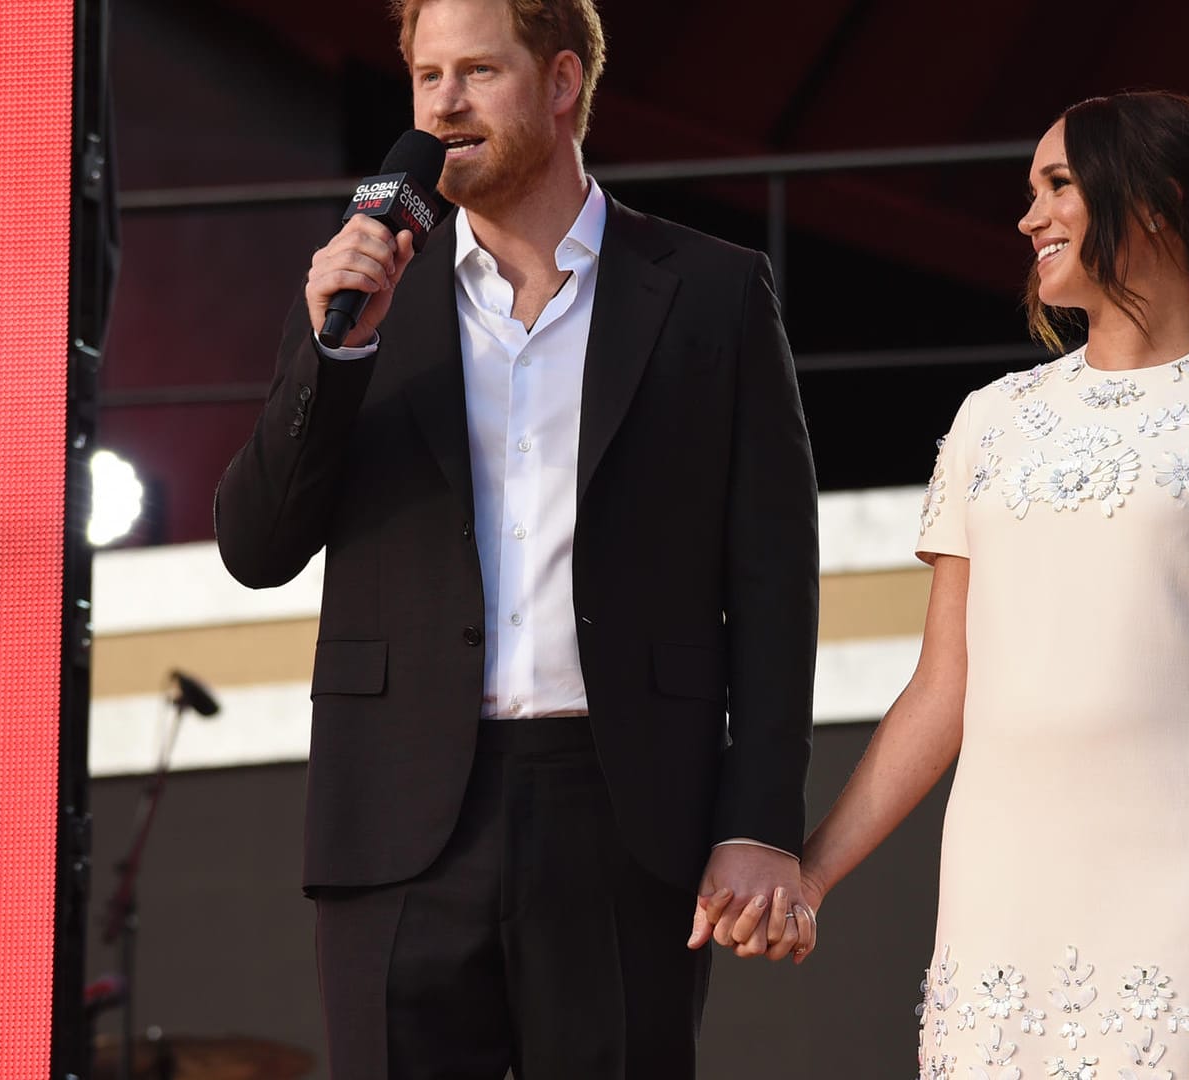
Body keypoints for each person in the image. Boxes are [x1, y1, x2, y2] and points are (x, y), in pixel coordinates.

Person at [213, 1, 819, 1076]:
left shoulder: (713, 292)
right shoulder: (362, 296)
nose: (443, 102)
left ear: (562, 82)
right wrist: (330, 354)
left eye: (478, 71)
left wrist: (761, 819)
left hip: (627, 811)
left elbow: (774, 582)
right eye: (426, 75)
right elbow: (257, 545)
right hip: (396, 818)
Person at [792, 91, 1189, 1079]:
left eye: (1059, 184)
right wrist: (812, 874)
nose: (1029, 218)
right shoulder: (989, 419)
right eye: (1030, 191)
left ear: (1157, 202)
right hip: (1002, 889)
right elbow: (942, 689)